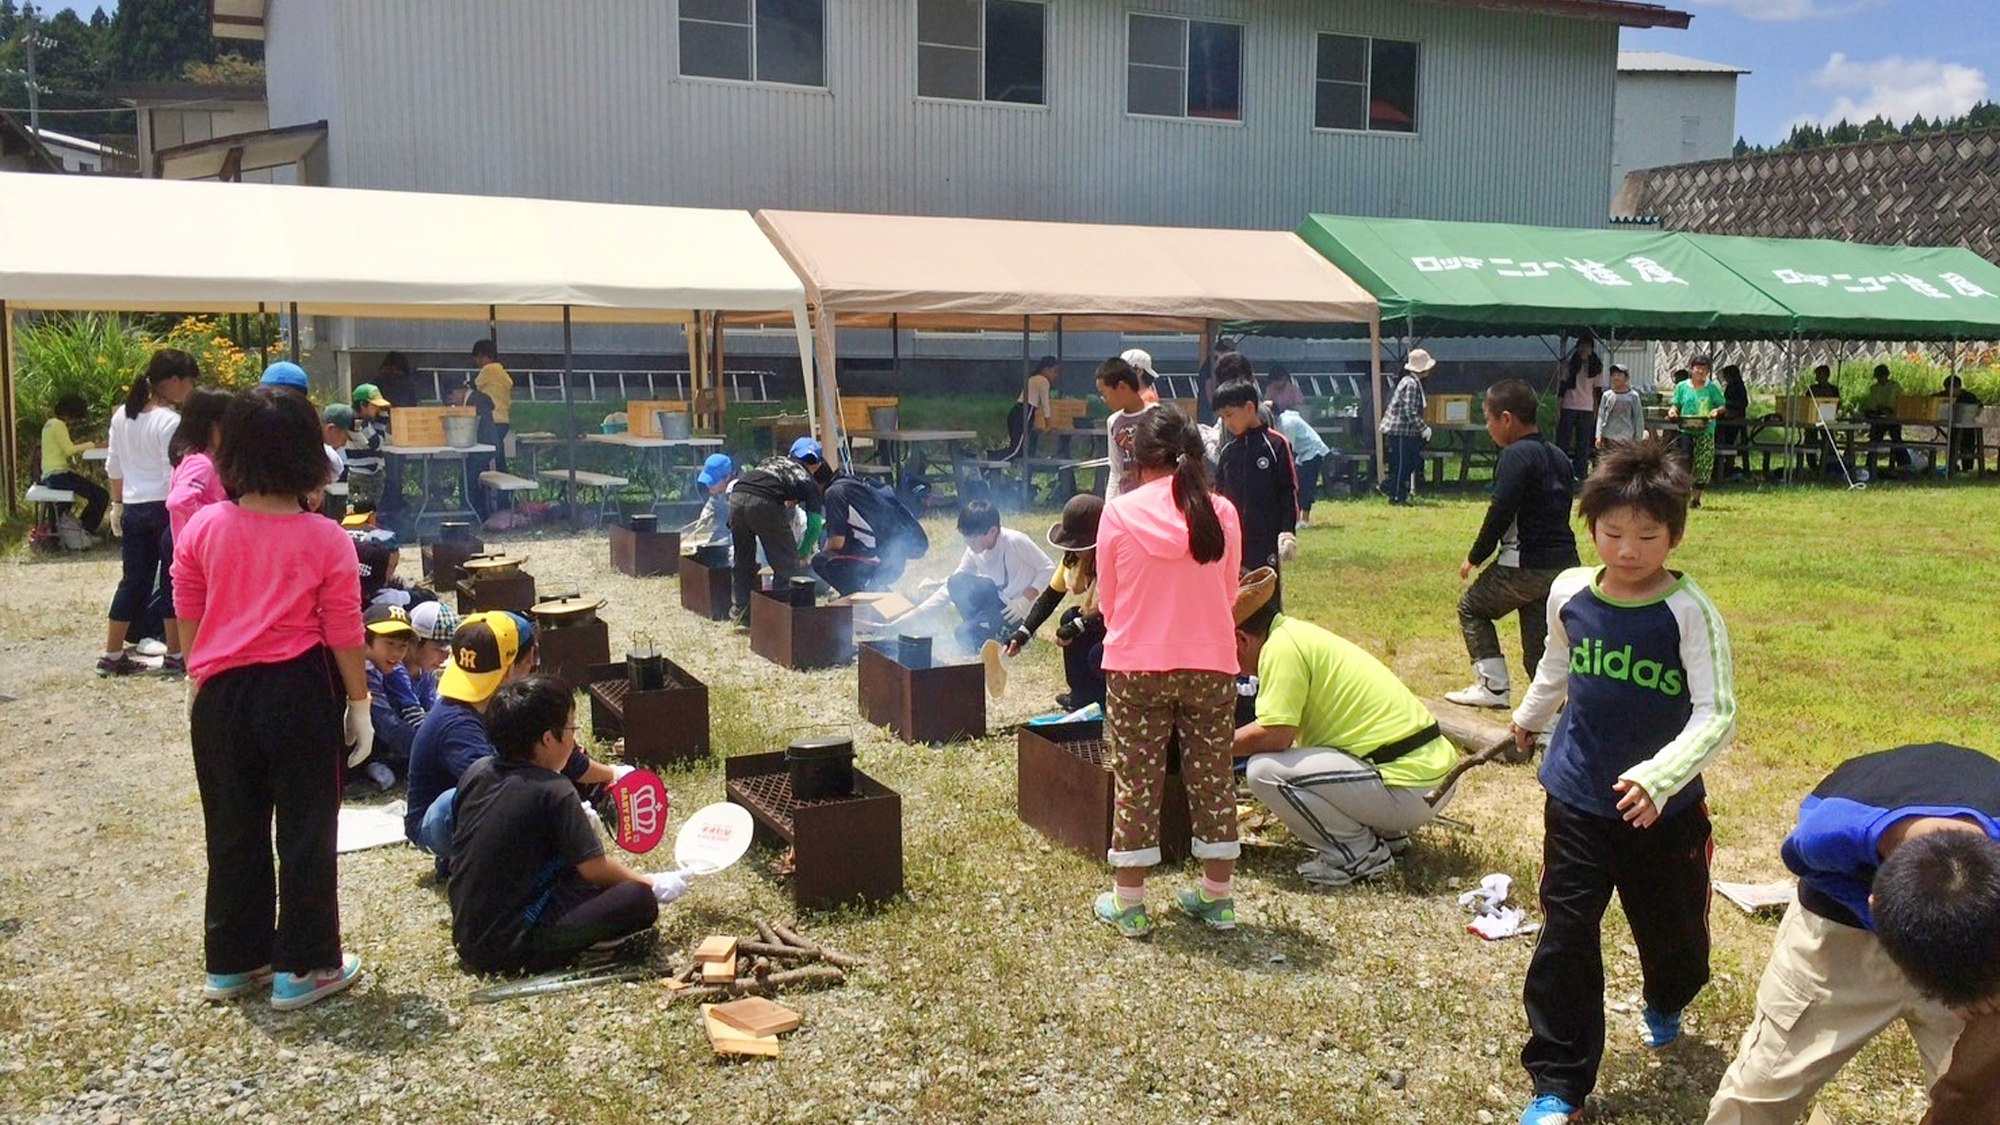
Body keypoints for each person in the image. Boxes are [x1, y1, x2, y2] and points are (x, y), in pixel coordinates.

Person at [1507, 439, 1736, 1125]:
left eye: (1647, 536)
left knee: (1674, 940)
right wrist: (1529, 717)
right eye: (1612, 533)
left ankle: (1666, 997)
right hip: (1577, 796)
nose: (1628, 550)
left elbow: (1717, 711)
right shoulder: (1570, 592)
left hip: (1663, 814)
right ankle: (1559, 1082)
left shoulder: (1690, 611)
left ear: (1675, 535)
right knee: (1566, 932)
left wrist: (1660, 778)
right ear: (1591, 526)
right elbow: (1557, 664)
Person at [172, 384, 370, 1011]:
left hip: (220, 692)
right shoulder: (326, 538)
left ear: (231, 452)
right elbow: (344, 630)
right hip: (297, 689)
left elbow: (187, 607)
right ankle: (304, 966)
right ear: (308, 456)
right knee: (306, 830)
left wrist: (198, 672)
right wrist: (360, 703)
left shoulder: (204, 526)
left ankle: (234, 961)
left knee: (232, 828)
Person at [1704, 743, 2000, 1125]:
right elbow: (1810, 868)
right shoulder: (1829, 830)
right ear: (1873, 902)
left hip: (1977, 951)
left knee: (1981, 1103)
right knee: (1762, 1090)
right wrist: (1894, 930)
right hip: (1839, 935)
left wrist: (1981, 987)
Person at [1092, 405, 1243, 938]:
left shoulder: (1119, 513)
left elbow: (1109, 601)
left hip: (1136, 665)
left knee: (1137, 780)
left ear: (1138, 460)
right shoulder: (1222, 512)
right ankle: (1217, 897)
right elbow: (1229, 592)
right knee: (1214, 777)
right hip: (1211, 663)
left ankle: (1129, 902)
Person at [1231, 569, 1456, 887]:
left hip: (1409, 789)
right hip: (1431, 779)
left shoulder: (1280, 649)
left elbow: (1275, 735)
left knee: (1264, 771)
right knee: (1303, 760)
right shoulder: (1295, 634)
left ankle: (1359, 856)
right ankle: (1387, 834)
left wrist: (1212, 745)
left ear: (1241, 638)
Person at [449, 676, 681, 975]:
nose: (573, 740)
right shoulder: (553, 788)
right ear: (548, 738)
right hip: (513, 945)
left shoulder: (477, 771)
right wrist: (652, 883)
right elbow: (594, 868)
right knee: (638, 898)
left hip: (467, 935)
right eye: (571, 729)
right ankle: (594, 948)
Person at [403, 612, 622, 871]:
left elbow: (554, 754)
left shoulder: (493, 704)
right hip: (437, 822)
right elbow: (494, 790)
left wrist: (614, 774)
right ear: (508, 670)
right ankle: (465, 856)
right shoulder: (458, 725)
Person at [1445, 379, 1580, 710]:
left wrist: (1476, 556)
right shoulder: (1559, 456)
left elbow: (1501, 509)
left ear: (1506, 418)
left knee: (1472, 608)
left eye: (1488, 419)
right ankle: (1550, 712)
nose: (1488, 427)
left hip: (1524, 563)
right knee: (1538, 647)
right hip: (1563, 566)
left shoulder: (1514, 455)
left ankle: (1492, 687)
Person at [101, 349, 196, 678]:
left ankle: (112, 654)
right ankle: (175, 654)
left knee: (132, 581)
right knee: (172, 581)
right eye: (189, 382)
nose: (190, 389)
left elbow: (113, 465)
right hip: (165, 508)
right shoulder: (169, 421)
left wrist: (117, 503)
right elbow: (174, 471)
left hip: (132, 506)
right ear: (174, 381)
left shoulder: (122, 416)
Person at [898, 499, 1054, 654]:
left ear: (993, 531)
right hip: (997, 607)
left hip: (1017, 614)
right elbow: (950, 587)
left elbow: (1048, 568)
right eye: (965, 537)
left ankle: (1018, 635)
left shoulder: (1014, 540)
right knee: (957, 584)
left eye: (972, 537)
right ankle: (988, 631)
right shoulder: (973, 551)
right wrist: (915, 614)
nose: (968, 542)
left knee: (968, 621)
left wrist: (1025, 600)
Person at [1006, 494, 1107, 712]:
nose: (1075, 549)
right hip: (1099, 620)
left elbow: (1119, 609)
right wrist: (1023, 633)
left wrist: (1080, 625)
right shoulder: (1072, 558)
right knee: (1069, 617)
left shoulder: (1116, 556)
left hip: (1124, 627)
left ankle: (1107, 698)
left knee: (1097, 655)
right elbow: (1051, 596)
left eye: (1081, 544)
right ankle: (1082, 695)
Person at [728, 437, 832, 626]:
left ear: (790, 455)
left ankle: (741, 614)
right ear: (817, 465)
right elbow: (816, 525)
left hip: (737, 495)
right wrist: (802, 552)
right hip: (764, 502)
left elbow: (759, 486)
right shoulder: (806, 479)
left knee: (743, 561)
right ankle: (780, 618)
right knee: (787, 566)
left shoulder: (771, 461)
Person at [1213, 378, 1299, 599]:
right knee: (1235, 597)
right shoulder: (1228, 451)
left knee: (1266, 596)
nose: (1227, 423)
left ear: (1250, 408)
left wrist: (1287, 531)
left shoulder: (1276, 444)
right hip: (1233, 538)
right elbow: (1218, 496)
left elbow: (1288, 490)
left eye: (1230, 415)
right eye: (1222, 418)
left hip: (1265, 537)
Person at [812, 471, 928, 596]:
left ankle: (861, 594)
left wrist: (811, 559)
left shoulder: (834, 493)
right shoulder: (855, 484)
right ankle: (875, 588)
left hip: (880, 564)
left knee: (821, 560)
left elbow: (836, 543)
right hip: (895, 561)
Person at [356, 604, 421, 790]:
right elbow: (388, 726)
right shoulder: (363, 670)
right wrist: (432, 748)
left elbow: (410, 706)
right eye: (389, 643)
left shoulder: (388, 665)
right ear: (366, 637)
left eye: (403, 646)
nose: (397, 653)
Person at [166, 388, 232, 541]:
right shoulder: (201, 463)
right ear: (214, 426)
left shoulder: (190, 457)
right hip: (201, 547)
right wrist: (214, 519)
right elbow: (178, 501)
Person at [39, 393, 109, 535]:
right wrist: (92, 445)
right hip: (58, 475)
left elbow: (60, 450)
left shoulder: (49, 424)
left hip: (50, 475)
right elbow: (69, 450)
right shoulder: (59, 425)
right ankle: (85, 529)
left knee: (94, 493)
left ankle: (78, 529)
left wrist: (79, 444)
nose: (75, 422)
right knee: (101, 495)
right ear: (72, 414)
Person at [1666, 354, 1726, 508]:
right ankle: (1681, 496)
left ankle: (1696, 499)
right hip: (1685, 430)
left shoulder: (1712, 388)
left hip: (1706, 430)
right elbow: (1676, 404)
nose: (1700, 371)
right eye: (1697, 368)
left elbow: (1721, 405)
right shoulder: (1682, 387)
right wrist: (1673, 411)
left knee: (1703, 464)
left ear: (1708, 371)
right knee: (1683, 462)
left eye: (1704, 369)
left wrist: (1716, 411)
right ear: (1691, 369)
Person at [1096, 356, 1158, 503]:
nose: (1104, 400)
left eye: (1104, 393)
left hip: (1153, 498)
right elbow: (1115, 470)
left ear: (1122, 386)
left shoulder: (1157, 414)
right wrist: (1109, 505)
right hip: (1126, 500)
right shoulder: (1113, 422)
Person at [1380, 349, 1433, 506]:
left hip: (1404, 430)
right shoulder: (1411, 384)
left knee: (1409, 462)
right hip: (1400, 430)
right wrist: (1423, 428)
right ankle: (1397, 495)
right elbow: (1409, 409)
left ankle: (1390, 487)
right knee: (1403, 464)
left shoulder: (1411, 382)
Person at [1555, 334, 1605, 480]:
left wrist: (1596, 412)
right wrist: (1558, 409)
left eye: (1587, 346)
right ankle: (1561, 472)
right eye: (1581, 346)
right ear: (1577, 348)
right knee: (1563, 442)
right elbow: (1562, 389)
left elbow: (1597, 392)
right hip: (1568, 406)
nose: (1584, 349)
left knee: (1583, 445)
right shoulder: (1569, 365)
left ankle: (1581, 474)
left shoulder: (1596, 367)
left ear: (1591, 349)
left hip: (1587, 409)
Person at [1273, 406, 1330, 527]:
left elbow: (1289, 448)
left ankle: (1304, 520)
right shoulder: (1281, 422)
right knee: (1299, 487)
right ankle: (1297, 518)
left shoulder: (1287, 423)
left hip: (1313, 453)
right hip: (1303, 455)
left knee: (1305, 487)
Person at [404, 600, 458, 714]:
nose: (447, 655)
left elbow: (431, 710)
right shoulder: (394, 672)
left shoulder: (426, 673)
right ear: (413, 641)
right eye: (440, 648)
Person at [1000, 355, 1057, 461]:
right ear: (1046, 369)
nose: (1055, 375)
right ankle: (993, 463)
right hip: (1024, 412)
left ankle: (990, 456)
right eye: (1054, 371)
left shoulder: (1032, 379)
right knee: (1017, 451)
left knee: (1017, 448)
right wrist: (1048, 425)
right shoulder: (1043, 381)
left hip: (1015, 411)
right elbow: (1045, 404)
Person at [679, 453, 735, 556]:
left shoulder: (737, 493)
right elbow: (713, 501)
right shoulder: (719, 491)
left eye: (713, 482)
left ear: (727, 477)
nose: (709, 485)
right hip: (722, 533)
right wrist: (707, 512)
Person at [344, 382, 391, 501]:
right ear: (363, 405)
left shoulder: (373, 419)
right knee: (358, 509)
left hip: (376, 473)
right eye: (374, 406)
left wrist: (381, 415)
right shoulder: (354, 423)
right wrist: (369, 423)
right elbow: (376, 444)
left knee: (373, 510)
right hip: (360, 475)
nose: (378, 409)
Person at [472, 339, 514, 472]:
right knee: (499, 454)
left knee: (486, 455)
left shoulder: (488, 369)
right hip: (504, 420)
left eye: (478, 358)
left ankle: (489, 481)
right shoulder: (502, 372)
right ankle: (503, 480)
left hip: (492, 419)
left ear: (484, 356)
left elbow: (474, 386)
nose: (477, 362)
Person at [1858, 363, 1908, 472]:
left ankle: (1904, 463)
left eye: (1882, 375)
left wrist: (1892, 410)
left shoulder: (1895, 386)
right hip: (1879, 418)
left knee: (1896, 438)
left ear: (1887, 375)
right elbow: (1872, 404)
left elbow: (1902, 401)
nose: (1881, 378)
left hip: (1893, 418)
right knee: (1874, 438)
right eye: (1878, 376)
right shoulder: (1874, 388)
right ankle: (1870, 463)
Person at [1593, 364, 1645, 451]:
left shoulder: (1633, 396)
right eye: (1613, 375)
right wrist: (1598, 436)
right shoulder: (1607, 395)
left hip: (1626, 438)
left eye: (1619, 375)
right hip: (1608, 437)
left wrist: (1638, 439)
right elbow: (1601, 416)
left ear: (1626, 378)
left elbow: (1638, 418)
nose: (1616, 378)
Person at [1942, 374, 1982, 473]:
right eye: (1947, 389)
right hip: (1953, 424)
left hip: (1967, 425)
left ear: (1959, 387)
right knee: (1952, 444)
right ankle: (1951, 466)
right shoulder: (1944, 395)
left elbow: (1980, 406)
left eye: (1952, 389)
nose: (1949, 392)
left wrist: (1974, 414)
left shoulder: (1969, 397)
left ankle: (1967, 468)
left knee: (1968, 445)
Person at [1717, 364, 1750, 476]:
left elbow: (1742, 403)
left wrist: (1727, 404)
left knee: (1729, 441)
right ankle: (1724, 464)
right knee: (1725, 439)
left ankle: (1728, 465)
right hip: (1729, 417)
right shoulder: (1732, 386)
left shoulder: (1737, 386)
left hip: (1735, 417)